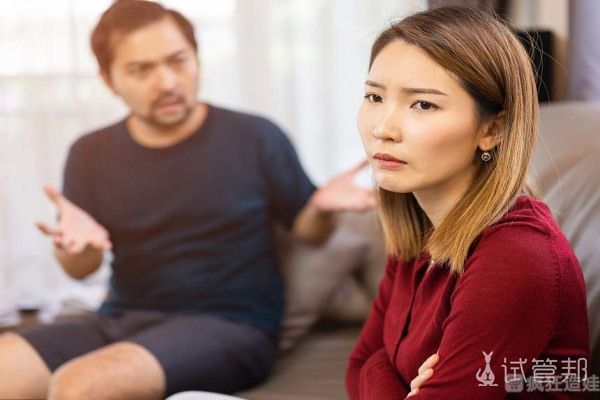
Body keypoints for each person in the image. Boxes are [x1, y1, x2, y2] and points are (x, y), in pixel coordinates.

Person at [0, 1, 375, 399]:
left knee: (81, 385)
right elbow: (80, 268)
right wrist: (77, 249)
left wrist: (321, 209)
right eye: (140, 70)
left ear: (196, 58)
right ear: (108, 80)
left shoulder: (256, 136)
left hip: (232, 325)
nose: (166, 82)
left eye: (177, 61)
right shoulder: (89, 152)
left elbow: (310, 233)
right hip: (122, 318)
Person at [346, 6, 590, 399]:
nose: (382, 128)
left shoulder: (517, 254)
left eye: (423, 104)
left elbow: (370, 367)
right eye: (374, 96)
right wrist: (381, 370)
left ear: (492, 129)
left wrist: (380, 369)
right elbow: (360, 363)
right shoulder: (418, 223)